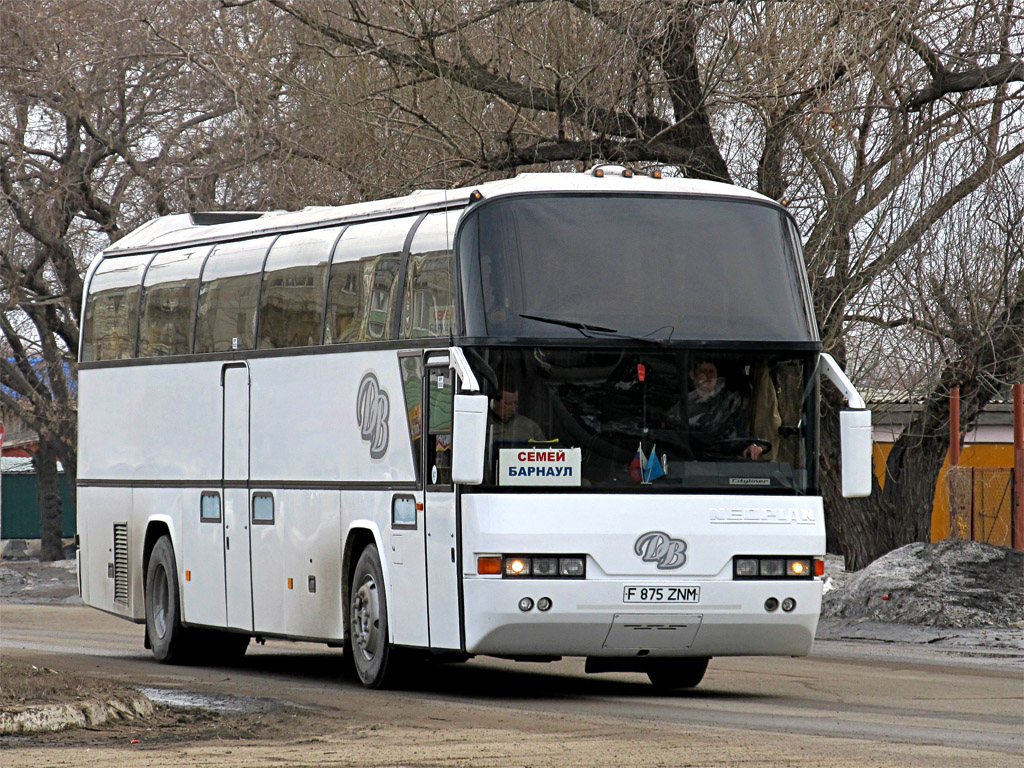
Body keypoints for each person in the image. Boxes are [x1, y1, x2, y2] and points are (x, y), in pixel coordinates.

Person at [686, 360, 765, 460]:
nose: (708, 376)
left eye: (711, 372)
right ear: (692, 375)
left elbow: (742, 432)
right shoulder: (682, 407)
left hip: (729, 463)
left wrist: (751, 445)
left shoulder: (730, 402)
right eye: (703, 371)